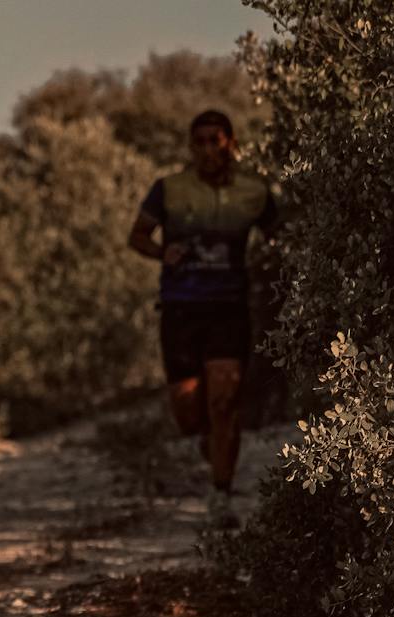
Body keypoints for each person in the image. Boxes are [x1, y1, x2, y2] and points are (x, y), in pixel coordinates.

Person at [128, 109, 281, 524]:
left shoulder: (255, 192)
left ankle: (221, 495)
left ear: (232, 143)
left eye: (216, 140)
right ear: (191, 148)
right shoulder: (170, 190)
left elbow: (282, 238)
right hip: (180, 309)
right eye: (200, 141)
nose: (209, 149)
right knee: (189, 409)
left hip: (229, 307)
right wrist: (163, 252)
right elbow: (137, 236)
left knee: (225, 401)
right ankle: (205, 440)